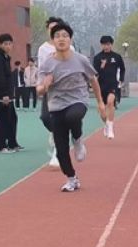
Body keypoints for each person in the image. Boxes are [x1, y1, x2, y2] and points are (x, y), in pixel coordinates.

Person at [37, 22, 106, 192]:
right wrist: (45, 85)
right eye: (57, 36)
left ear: (70, 39)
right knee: (61, 150)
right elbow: (38, 90)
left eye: (65, 36)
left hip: (78, 100)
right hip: (56, 105)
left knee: (73, 116)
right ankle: (72, 178)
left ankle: (77, 139)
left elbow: (93, 80)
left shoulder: (80, 60)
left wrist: (100, 103)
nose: (61, 39)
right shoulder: (47, 64)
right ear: (53, 41)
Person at [37, 17, 76, 168]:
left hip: (66, 90)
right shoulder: (43, 49)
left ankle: (57, 153)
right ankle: (56, 133)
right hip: (49, 88)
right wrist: (42, 84)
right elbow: (42, 68)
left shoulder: (70, 48)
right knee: (45, 118)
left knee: (61, 119)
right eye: (51, 29)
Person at [0, 33, 23, 153]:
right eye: (5, 44)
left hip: (8, 94)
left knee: (12, 118)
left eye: (10, 44)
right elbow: (0, 77)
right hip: (1, 95)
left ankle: (12, 143)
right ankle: (1, 146)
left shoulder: (6, 57)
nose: (8, 46)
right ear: (1, 45)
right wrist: (4, 94)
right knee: (2, 120)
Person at [93, 35, 125, 140]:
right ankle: (106, 124)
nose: (106, 46)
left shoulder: (117, 57)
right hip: (100, 86)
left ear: (111, 45)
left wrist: (121, 79)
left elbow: (122, 69)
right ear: (101, 45)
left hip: (112, 84)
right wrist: (101, 66)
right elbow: (95, 73)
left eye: (108, 44)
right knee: (102, 111)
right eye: (104, 45)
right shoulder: (97, 58)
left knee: (110, 102)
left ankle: (110, 128)